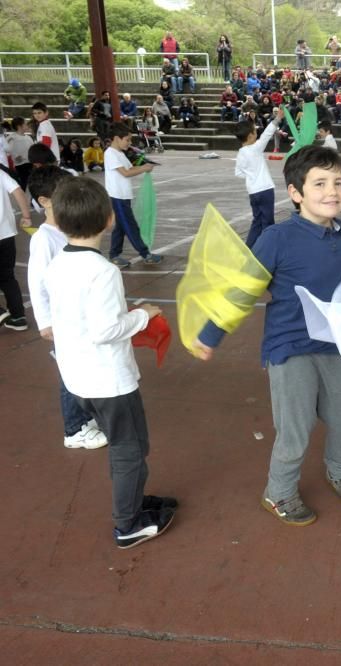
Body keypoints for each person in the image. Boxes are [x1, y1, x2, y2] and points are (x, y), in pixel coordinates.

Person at [194, 146, 341, 526]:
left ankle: (340, 473)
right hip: (289, 347)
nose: (332, 192)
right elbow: (243, 289)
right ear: (295, 193)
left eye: (338, 182)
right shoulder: (277, 238)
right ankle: (280, 492)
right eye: (319, 183)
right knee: (296, 429)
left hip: (335, 343)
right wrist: (211, 333)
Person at [44, 177, 177, 548]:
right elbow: (106, 330)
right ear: (108, 219)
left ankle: (133, 502)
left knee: (129, 445)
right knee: (130, 449)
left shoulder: (58, 264)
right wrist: (144, 314)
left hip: (77, 376)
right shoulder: (103, 272)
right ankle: (128, 522)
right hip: (108, 382)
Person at [26, 165, 109, 449]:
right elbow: (37, 284)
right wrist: (45, 321)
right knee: (68, 374)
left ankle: (86, 419)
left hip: (79, 316)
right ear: (45, 201)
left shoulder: (66, 231)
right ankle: (74, 429)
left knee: (82, 369)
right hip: (62, 321)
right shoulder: (43, 238)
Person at [103, 123, 163, 267]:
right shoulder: (110, 153)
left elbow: (130, 168)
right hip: (117, 197)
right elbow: (125, 172)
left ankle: (114, 255)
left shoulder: (120, 154)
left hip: (123, 196)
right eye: (127, 140)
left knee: (121, 227)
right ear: (117, 138)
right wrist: (143, 168)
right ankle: (145, 254)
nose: (130, 143)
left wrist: (145, 167)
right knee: (130, 226)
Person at [235, 108, 284, 249]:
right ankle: (269, 249)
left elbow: (238, 173)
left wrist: (250, 176)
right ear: (250, 136)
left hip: (253, 192)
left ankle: (249, 247)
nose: (257, 133)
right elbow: (267, 134)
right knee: (268, 222)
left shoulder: (240, 153)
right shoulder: (255, 148)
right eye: (255, 131)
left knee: (257, 221)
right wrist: (277, 119)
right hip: (265, 190)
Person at [0, 164, 32, 331]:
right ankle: (18, 317)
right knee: (7, 277)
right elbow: (18, 191)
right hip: (6, 234)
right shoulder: (1, 173)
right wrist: (26, 216)